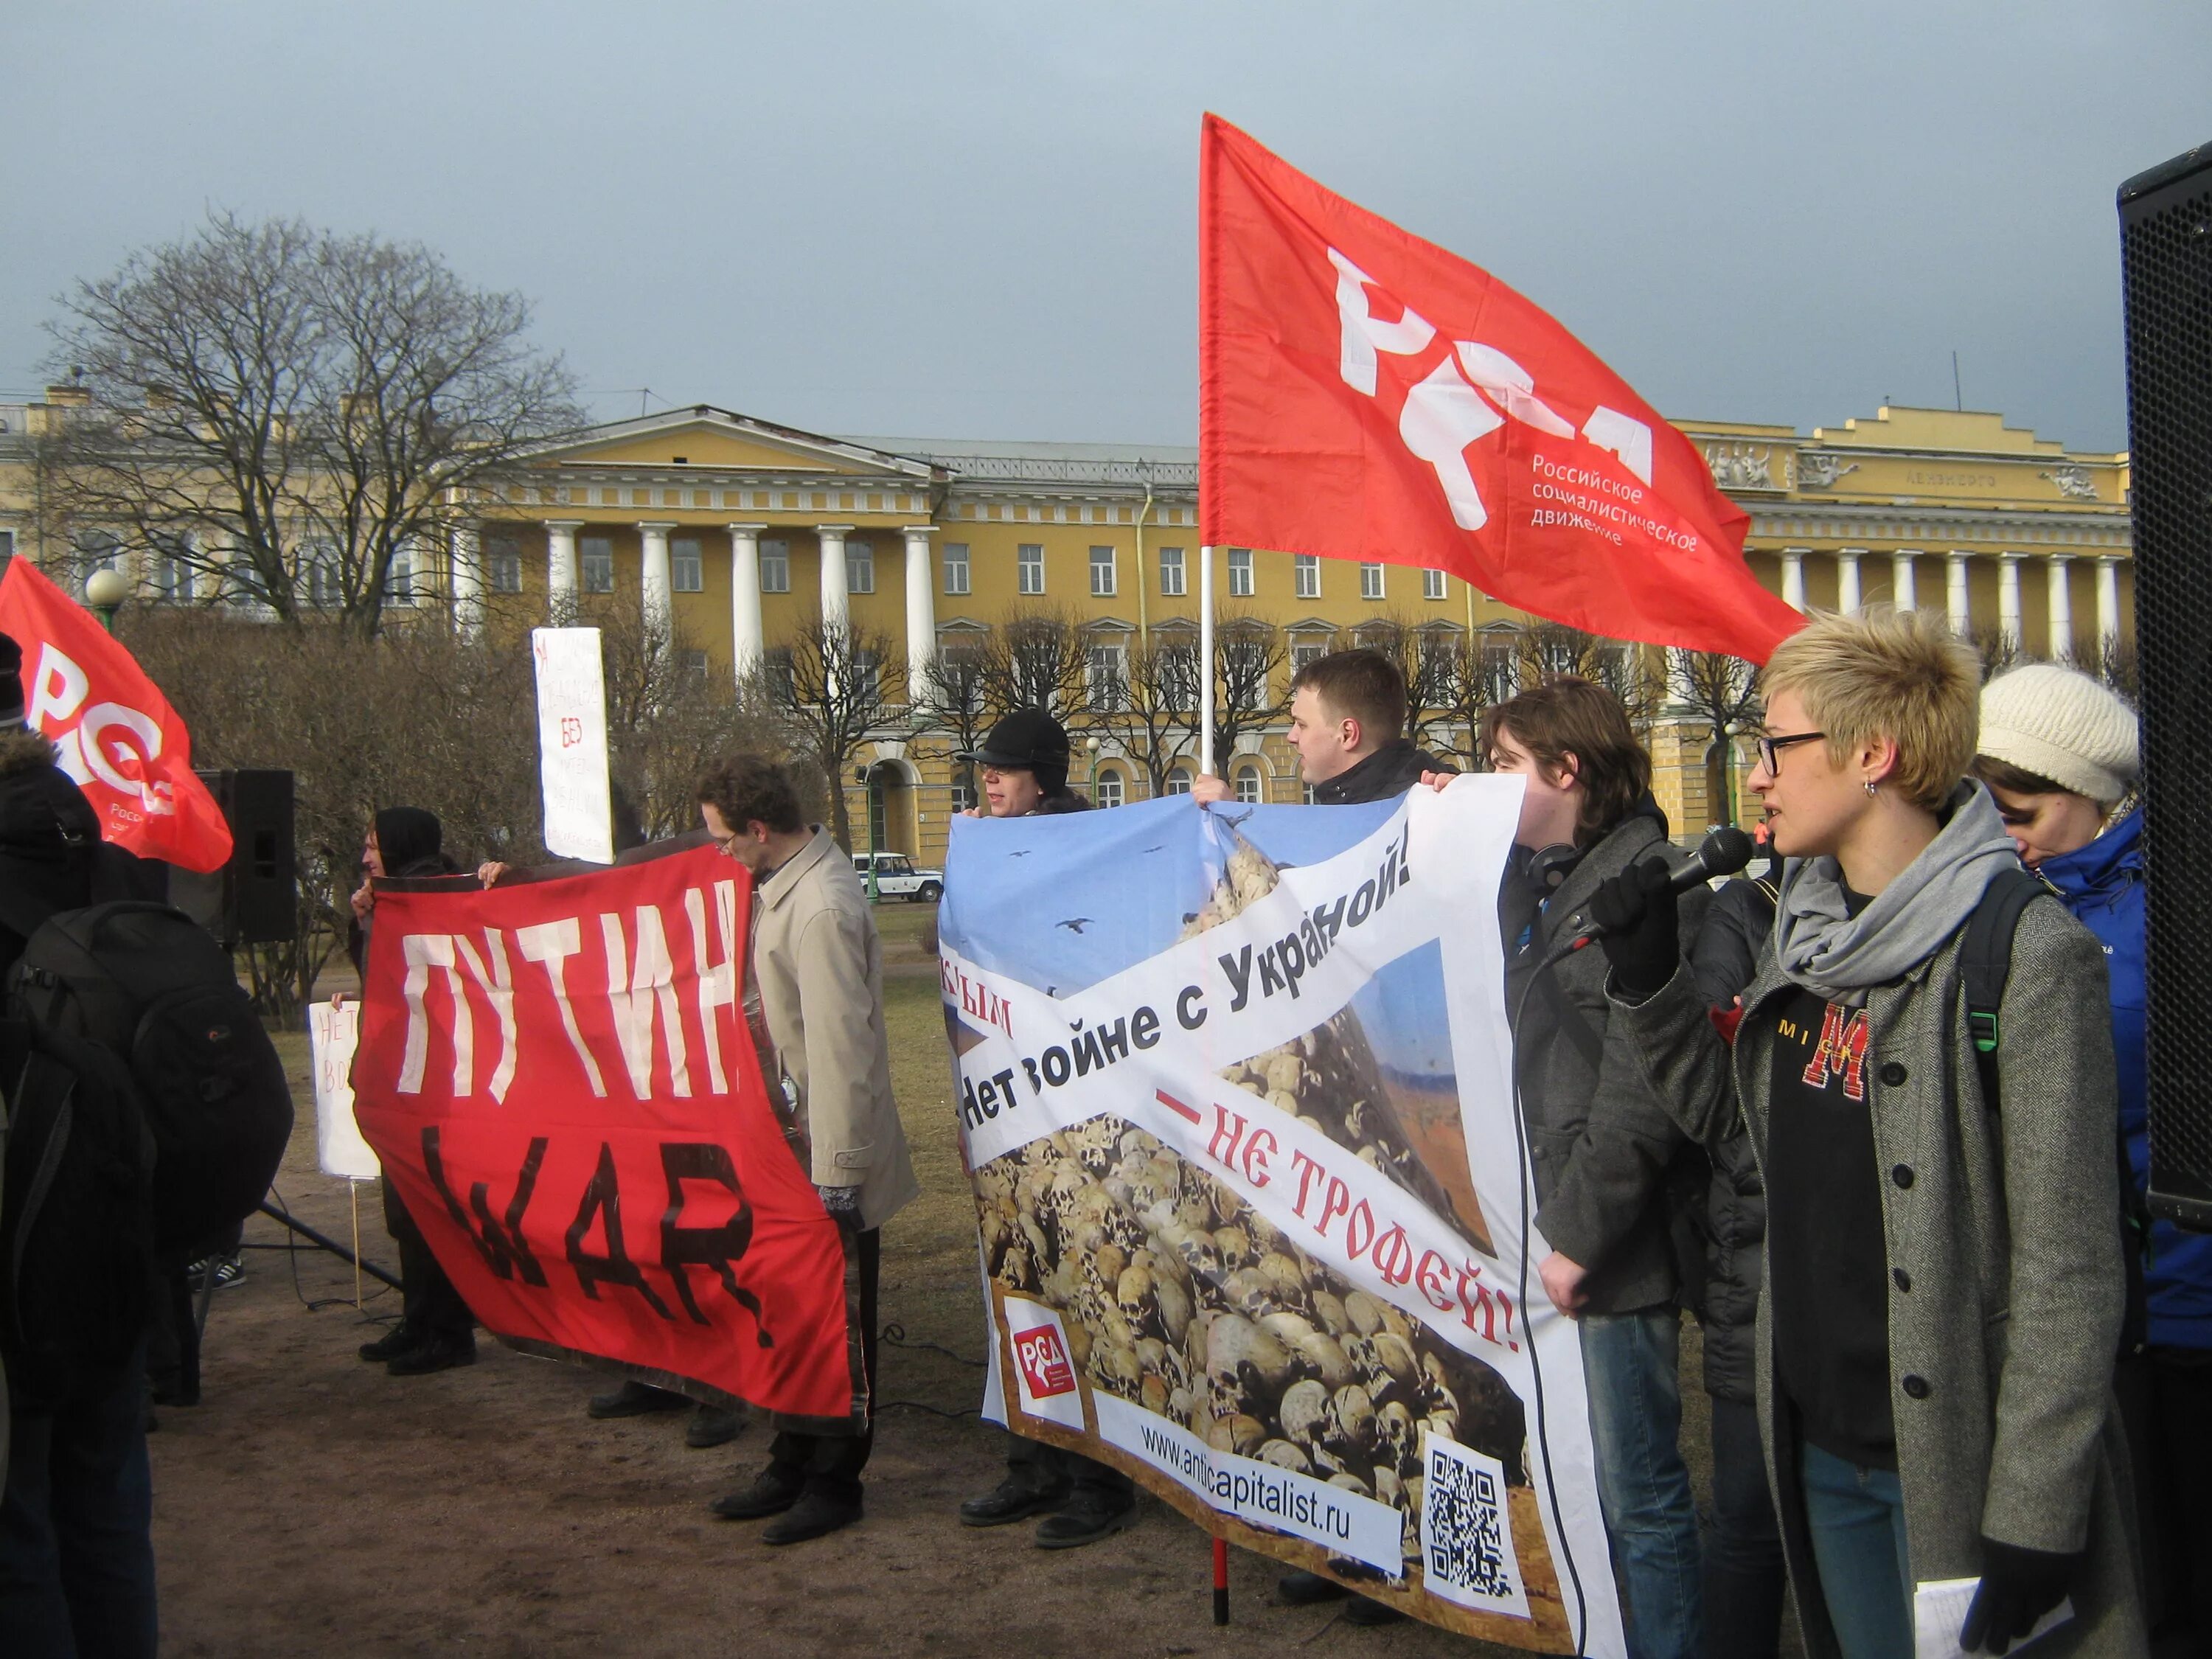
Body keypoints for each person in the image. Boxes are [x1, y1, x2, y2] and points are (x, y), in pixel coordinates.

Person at [1591, 608, 2144, 1658]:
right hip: (1818, 1436)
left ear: (1874, 754)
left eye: (1777, 745)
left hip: (1954, 1457)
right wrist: (1648, 978)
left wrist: (2036, 1504)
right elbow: (1734, 1127)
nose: (1755, 774)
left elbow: (2070, 1265)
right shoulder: (1803, 933)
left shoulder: (2025, 951)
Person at [1975, 663, 2204, 1650]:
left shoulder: (2161, 920)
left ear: (2097, 799)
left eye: (2019, 807)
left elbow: (2091, 1086)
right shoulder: (2016, 897)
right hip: (2085, 1309)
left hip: (2180, 1300)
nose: (2000, 828)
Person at [1481, 675, 1707, 1659]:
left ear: (1566, 769)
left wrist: (1577, 1234)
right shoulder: (1545, 876)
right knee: (1579, 1479)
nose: (1493, 788)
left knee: (1640, 1490)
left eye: (1505, 768)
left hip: (1611, 1241)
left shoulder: (1645, 879)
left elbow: (1644, 1081)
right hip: (1551, 1225)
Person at [698, 753, 918, 1545]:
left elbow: (841, 1051)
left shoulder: (819, 904)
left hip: (830, 1156)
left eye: (724, 839)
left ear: (759, 830)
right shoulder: (783, 884)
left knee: (839, 1325)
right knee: (793, 1316)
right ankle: (793, 1454)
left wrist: (840, 1176)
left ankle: (834, 1479)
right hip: (792, 1151)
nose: (719, 852)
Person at [479, 786, 738, 1450]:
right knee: (630, 1235)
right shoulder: (572, 896)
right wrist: (509, 890)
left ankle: (722, 1384)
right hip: (611, 1095)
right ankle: (654, 1369)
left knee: (693, 1237)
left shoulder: (664, 883)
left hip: (680, 1088)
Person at [950, 709, 1148, 1551]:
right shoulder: (985, 842)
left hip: (1073, 1107)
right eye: (983, 769)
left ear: (1044, 777)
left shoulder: (1081, 847)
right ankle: (1030, 1458)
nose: (987, 780)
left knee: (1082, 1291)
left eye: (1003, 769)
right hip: (1002, 1108)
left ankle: (1097, 1478)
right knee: (1016, 1282)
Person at [0, 634, 161, 1658]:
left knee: (17, 1520)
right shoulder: (103, 843)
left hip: (18, 1213)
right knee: (106, 1502)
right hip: (121, 1213)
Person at [1687, 824, 1790, 1659]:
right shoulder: (1743, 911)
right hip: (1756, 1255)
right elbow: (1706, 1098)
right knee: (1748, 1518)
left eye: (1776, 753)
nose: (1757, 785)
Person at [348, 808, 479, 1377]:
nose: (366, 857)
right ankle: (420, 1319)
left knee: (426, 1211)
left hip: (436, 1082)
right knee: (405, 1210)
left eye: (375, 846)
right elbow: (379, 983)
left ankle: (446, 1331)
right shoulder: (393, 902)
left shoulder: (436, 898)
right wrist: (365, 924)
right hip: (407, 1076)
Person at [1191, 645, 1443, 807]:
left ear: (1347, 734)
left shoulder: (1430, 804)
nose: (1291, 736)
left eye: (1302, 724)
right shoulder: (1360, 803)